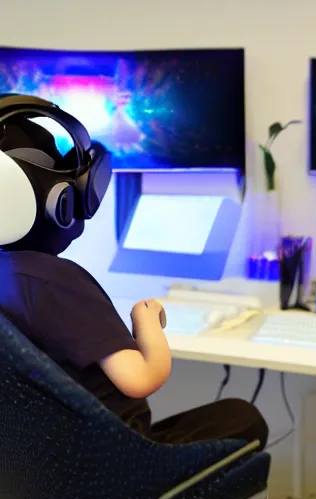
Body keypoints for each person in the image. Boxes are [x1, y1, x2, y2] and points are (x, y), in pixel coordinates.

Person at [0, 97, 268, 449]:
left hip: (45, 466)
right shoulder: (57, 281)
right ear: (61, 201)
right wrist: (147, 322)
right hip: (117, 459)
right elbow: (141, 378)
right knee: (243, 418)